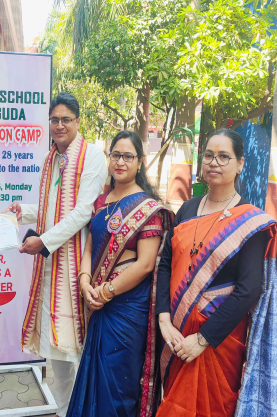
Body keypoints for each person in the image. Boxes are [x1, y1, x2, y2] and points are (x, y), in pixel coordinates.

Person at [156, 129, 277, 417]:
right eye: (208, 155)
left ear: (240, 164)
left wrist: (203, 339)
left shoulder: (250, 222)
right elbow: (165, 263)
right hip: (175, 335)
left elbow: (248, 289)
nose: (214, 162)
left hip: (217, 344)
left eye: (224, 157)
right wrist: (164, 318)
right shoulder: (187, 209)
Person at [4, 92, 108, 417]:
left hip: (78, 267)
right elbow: (51, 208)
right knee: (57, 352)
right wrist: (24, 212)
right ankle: (64, 412)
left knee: (78, 349)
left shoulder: (92, 156)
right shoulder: (51, 158)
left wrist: (43, 242)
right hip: (51, 268)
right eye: (54, 119)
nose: (59, 125)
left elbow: (83, 212)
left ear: (78, 121)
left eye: (66, 119)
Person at [66, 131, 173, 417]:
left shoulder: (148, 209)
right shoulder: (102, 201)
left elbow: (145, 264)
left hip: (127, 310)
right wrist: (85, 283)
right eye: (116, 155)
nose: (120, 162)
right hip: (98, 301)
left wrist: (105, 291)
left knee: (118, 384)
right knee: (94, 377)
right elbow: (89, 247)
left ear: (140, 161)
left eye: (128, 156)